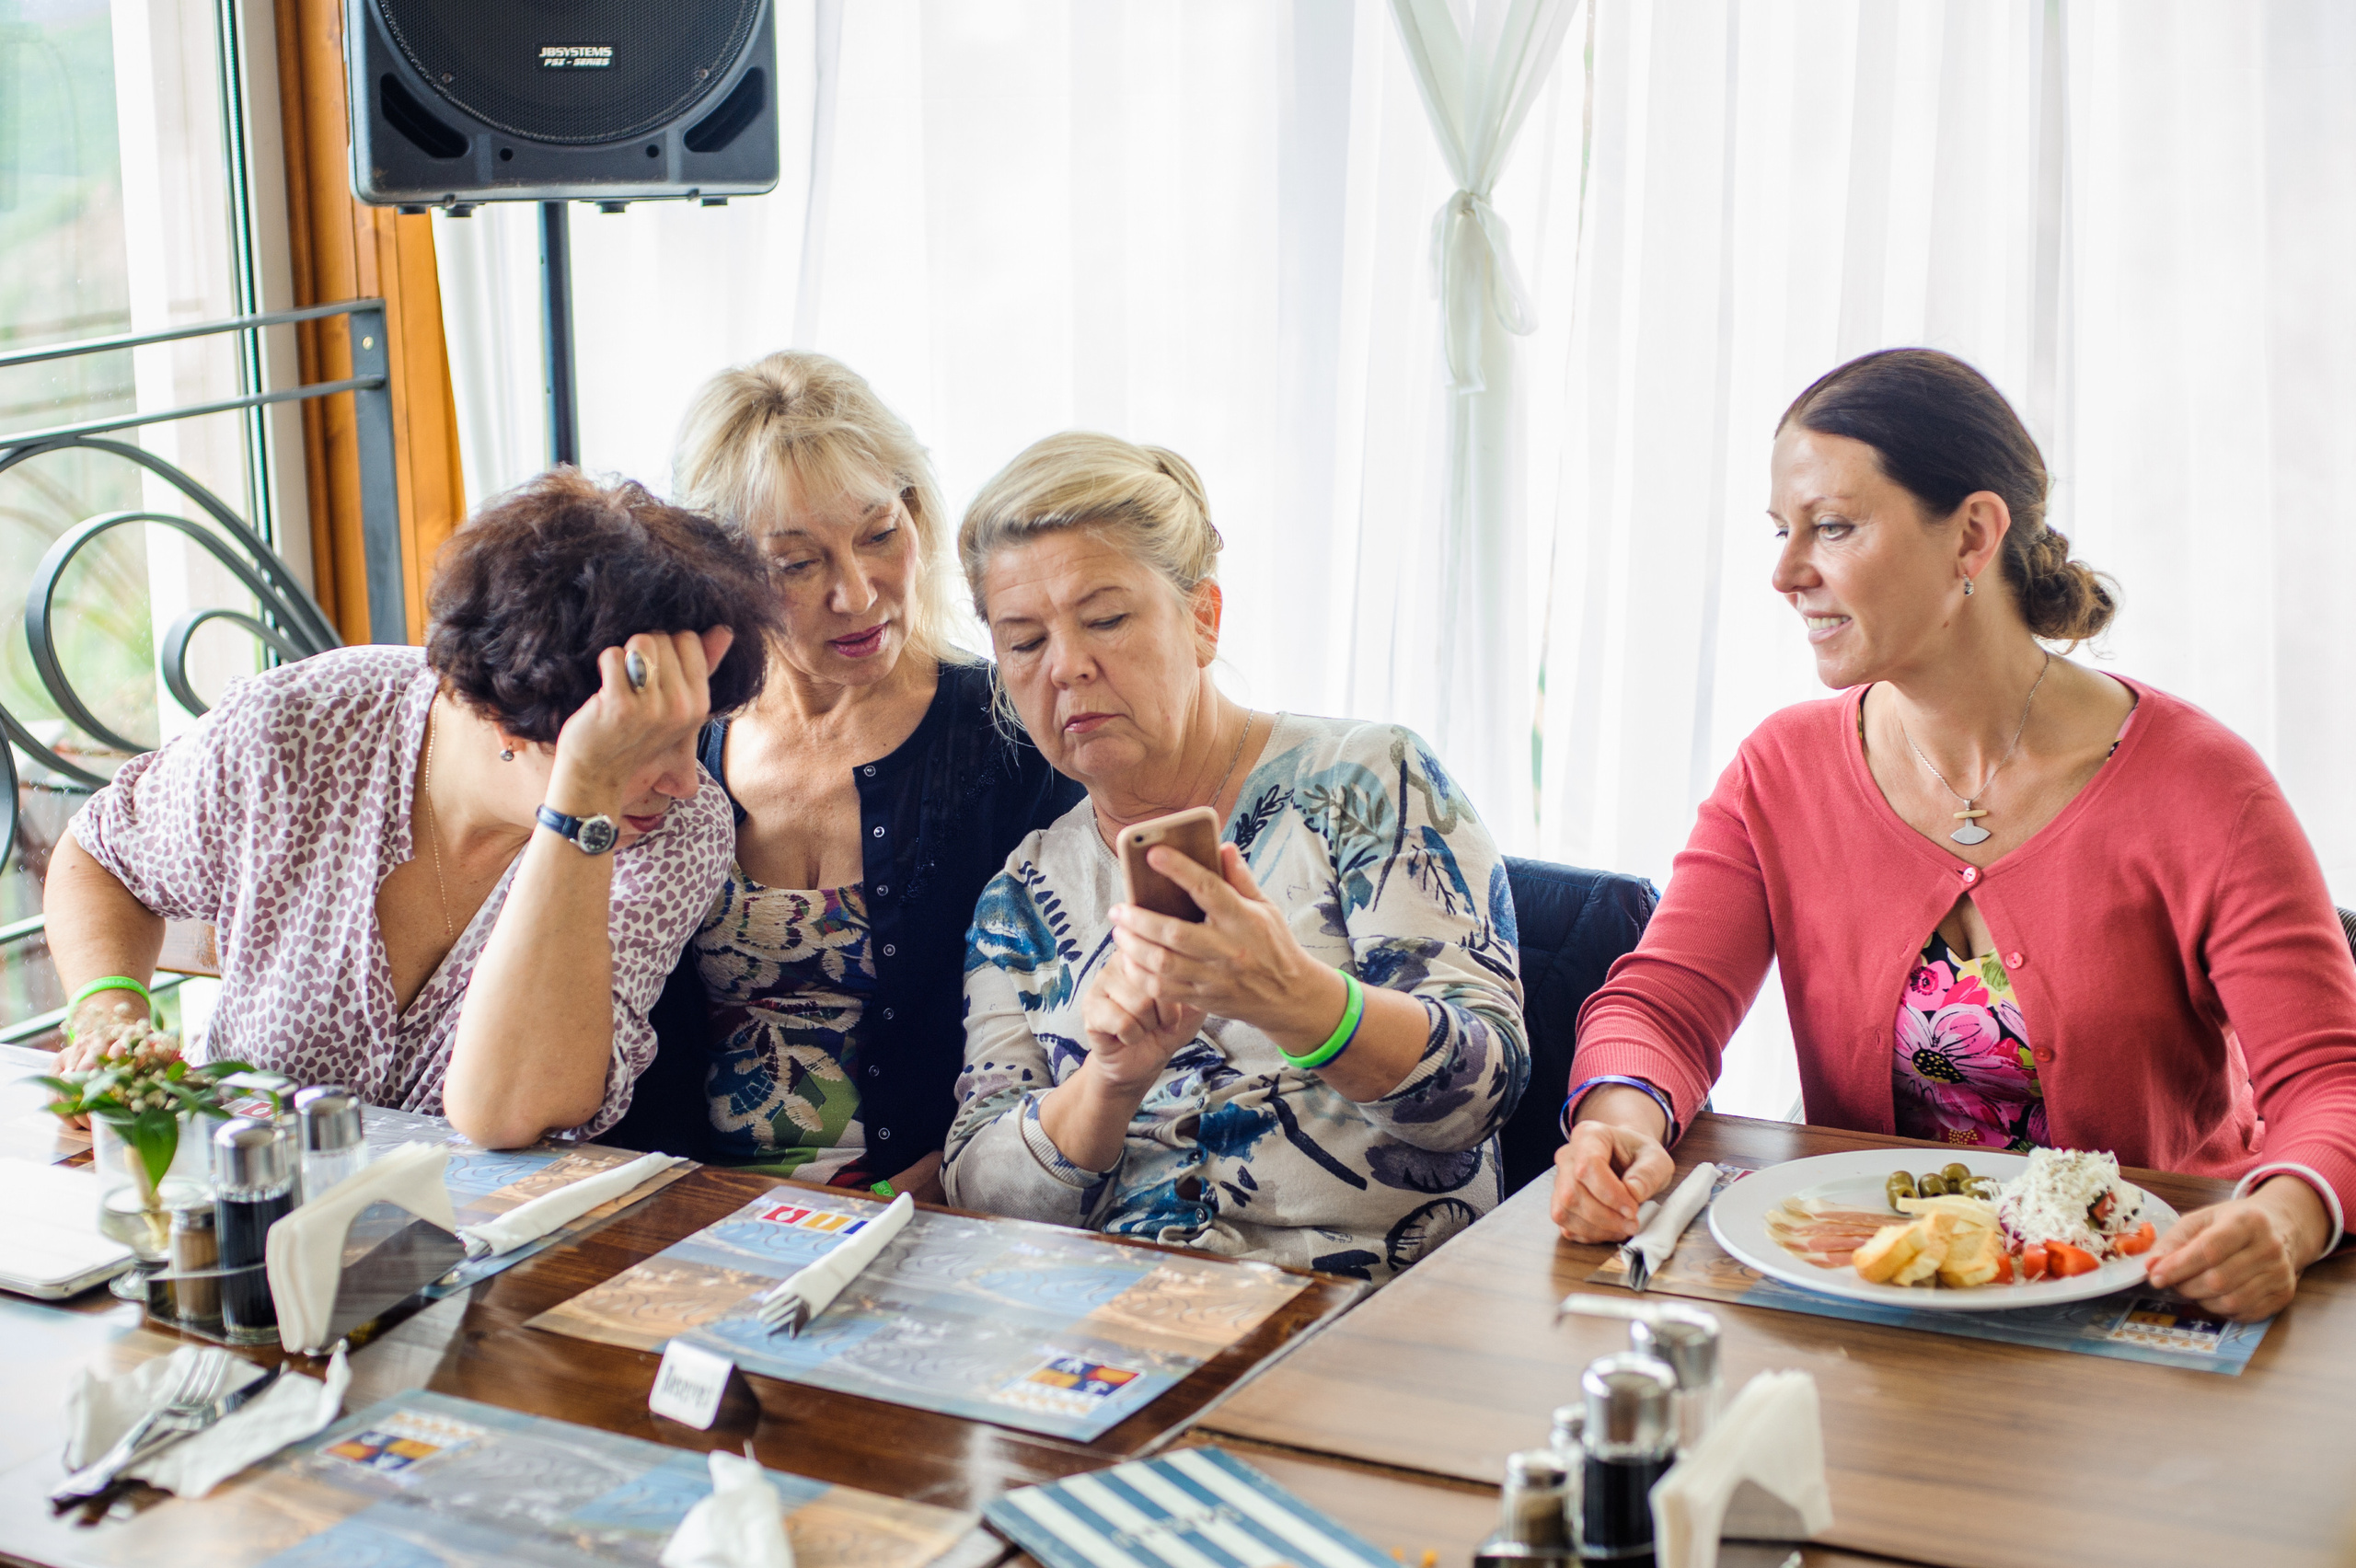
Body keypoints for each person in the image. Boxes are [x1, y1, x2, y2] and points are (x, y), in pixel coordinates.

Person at [1553, 348, 2356, 1320]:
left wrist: (2283, 1220)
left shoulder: (2207, 788)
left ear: (1972, 536)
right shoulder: (1780, 770)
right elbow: (1662, 1007)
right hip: (1877, 1301)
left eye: (1832, 527)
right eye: (1780, 531)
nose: (1785, 573)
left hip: (2155, 1299)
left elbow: (2331, 1080)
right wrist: (1622, 1120)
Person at [47, 469, 780, 1149]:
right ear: (509, 715)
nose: (685, 781)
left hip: (484, 1240)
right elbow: (101, 856)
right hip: (254, 1201)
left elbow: (505, 1112)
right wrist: (109, 1011)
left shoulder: (675, 834)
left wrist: (582, 799)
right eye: (645, 742)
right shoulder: (300, 728)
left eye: (692, 734)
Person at [943, 432, 1527, 1282]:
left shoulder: (1365, 781)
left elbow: (1484, 1093)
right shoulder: (1022, 897)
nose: (1067, 666)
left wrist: (1297, 1001)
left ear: (1203, 619)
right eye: (1025, 641)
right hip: (1122, 1312)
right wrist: (1108, 1083)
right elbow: (977, 1192)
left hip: (1362, 1304)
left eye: (1105, 619)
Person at [638, 352, 1080, 1198]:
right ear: (721, 576)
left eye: (879, 535)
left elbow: (1076, 1027)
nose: (857, 593)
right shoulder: (674, 747)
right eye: (796, 564)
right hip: (692, 1202)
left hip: (940, 1204)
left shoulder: (1011, 735)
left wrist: (940, 1181)